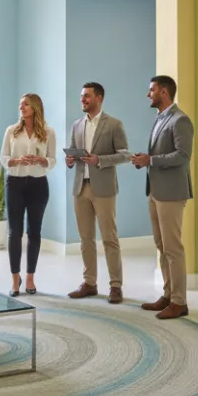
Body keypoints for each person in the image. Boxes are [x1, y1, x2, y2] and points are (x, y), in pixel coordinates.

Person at [130, 75, 193, 320]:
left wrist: (152, 160)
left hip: (172, 193)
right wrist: (144, 161)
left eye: (151, 90)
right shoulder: (160, 118)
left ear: (164, 92)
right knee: (161, 246)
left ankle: (180, 301)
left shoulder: (180, 120)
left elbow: (182, 156)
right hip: (155, 191)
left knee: (173, 247)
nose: (148, 94)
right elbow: (159, 154)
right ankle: (168, 295)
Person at [65, 82, 129, 304]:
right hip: (80, 188)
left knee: (109, 238)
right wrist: (70, 160)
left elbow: (124, 155)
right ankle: (89, 283)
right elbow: (73, 152)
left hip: (104, 189)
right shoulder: (76, 125)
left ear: (99, 98)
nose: (82, 99)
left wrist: (99, 160)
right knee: (86, 239)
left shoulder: (114, 124)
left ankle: (115, 286)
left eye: (87, 96)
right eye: (81, 96)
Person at [0, 94, 56, 297]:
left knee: (35, 233)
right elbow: (3, 158)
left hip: (38, 185)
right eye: (20, 104)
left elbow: (52, 160)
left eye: (25, 104)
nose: (21, 107)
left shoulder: (48, 132)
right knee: (14, 233)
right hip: (14, 184)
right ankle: (15, 279)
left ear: (35, 107)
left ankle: (30, 277)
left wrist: (41, 160)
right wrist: (17, 161)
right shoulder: (11, 131)